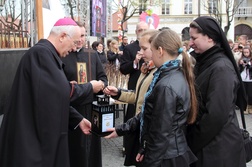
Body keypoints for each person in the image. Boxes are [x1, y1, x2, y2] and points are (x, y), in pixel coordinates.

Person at [0, 17, 105, 167]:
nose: (75, 48)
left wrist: (78, 119)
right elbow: (60, 93)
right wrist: (89, 87)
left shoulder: (46, 54)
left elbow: (52, 97)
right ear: (62, 36)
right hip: (32, 141)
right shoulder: (41, 54)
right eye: (75, 42)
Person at [105, 28, 198, 167]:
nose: (143, 54)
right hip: (169, 152)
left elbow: (160, 133)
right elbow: (150, 114)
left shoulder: (166, 84)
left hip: (167, 156)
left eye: (150, 50)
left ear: (160, 51)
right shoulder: (171, 75)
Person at [186, 16, 247, 167]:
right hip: (209, 147)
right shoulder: (206, 62)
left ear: (210, 38)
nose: (190, 43)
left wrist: (192, 141)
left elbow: (216, 116)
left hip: (218, 151)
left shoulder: (221, 68)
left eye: (194, 38)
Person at [103, 29, 158, 166]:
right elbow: (138, 95)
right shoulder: (147, 69)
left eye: (144, 49)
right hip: (141, 128)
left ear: (157, 48)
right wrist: (118, 93)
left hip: (149, 133)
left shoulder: (159, 73)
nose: (140, 53)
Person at [61, 21, 107, 167]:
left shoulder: (92, 55)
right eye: (77, 36)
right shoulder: (63, 55)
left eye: (83, 35)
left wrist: (100, 85)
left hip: (90, 109)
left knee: (91, 151)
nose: (80, 39)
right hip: (71, 111)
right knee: (74, 150)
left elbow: (104, 78)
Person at [119, 22, 149, 154]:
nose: (142, 32)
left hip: (149, 86)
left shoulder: (153, 45)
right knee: (132, 115)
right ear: (136, 31)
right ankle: (128, 146)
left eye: (145, 30)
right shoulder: (130, 48)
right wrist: (135, 62)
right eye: (140, 30)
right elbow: (123, 69)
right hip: (135, 86)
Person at [238, 46, 252, 114]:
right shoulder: (241, 59)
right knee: (244, 94)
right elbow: (239, 69)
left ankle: (250, 107)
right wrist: (241, 65)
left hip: (250, 79)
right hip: (243, 78)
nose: (246, 54)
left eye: (247, 52)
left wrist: (249, 65)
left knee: (250, 94)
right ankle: (245, 107)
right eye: (244, 52)